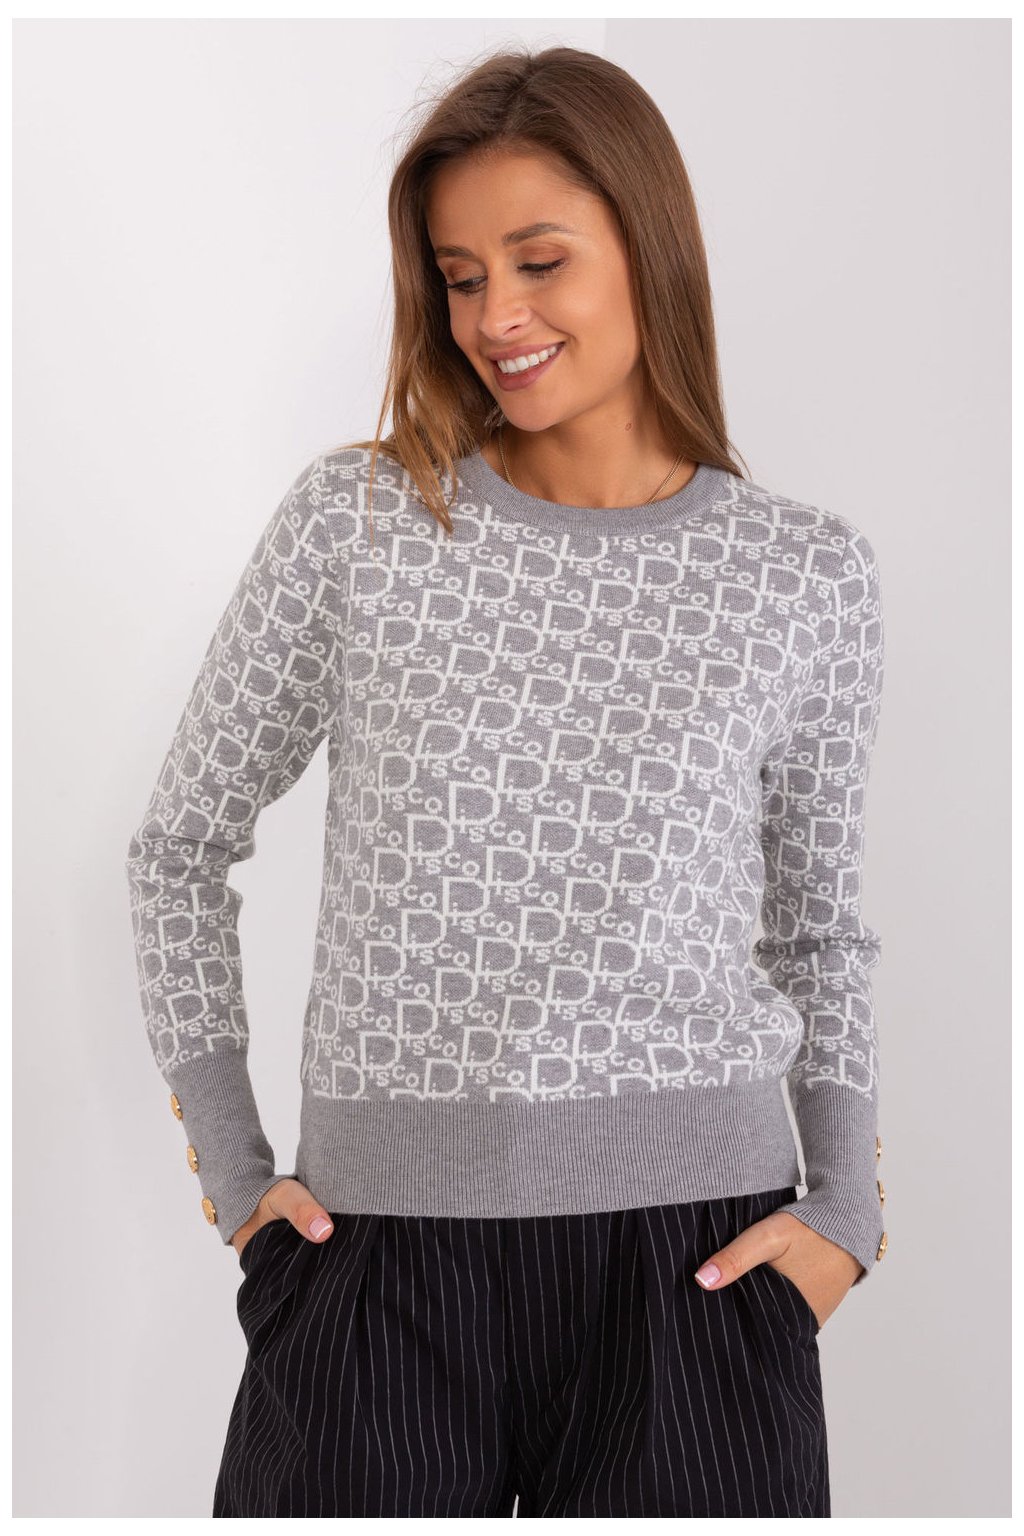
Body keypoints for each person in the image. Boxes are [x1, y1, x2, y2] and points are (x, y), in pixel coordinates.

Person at [124, 44, 888, 1519]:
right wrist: (235, 1168)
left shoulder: (804, 575)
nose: (496, 318)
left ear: (649, 246)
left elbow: (818, 928)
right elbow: (180, 845)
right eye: (461, 277)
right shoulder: (358, 525)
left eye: (540, 263)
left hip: (698, 1275)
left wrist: (847, 1207)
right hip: (374, 1259)